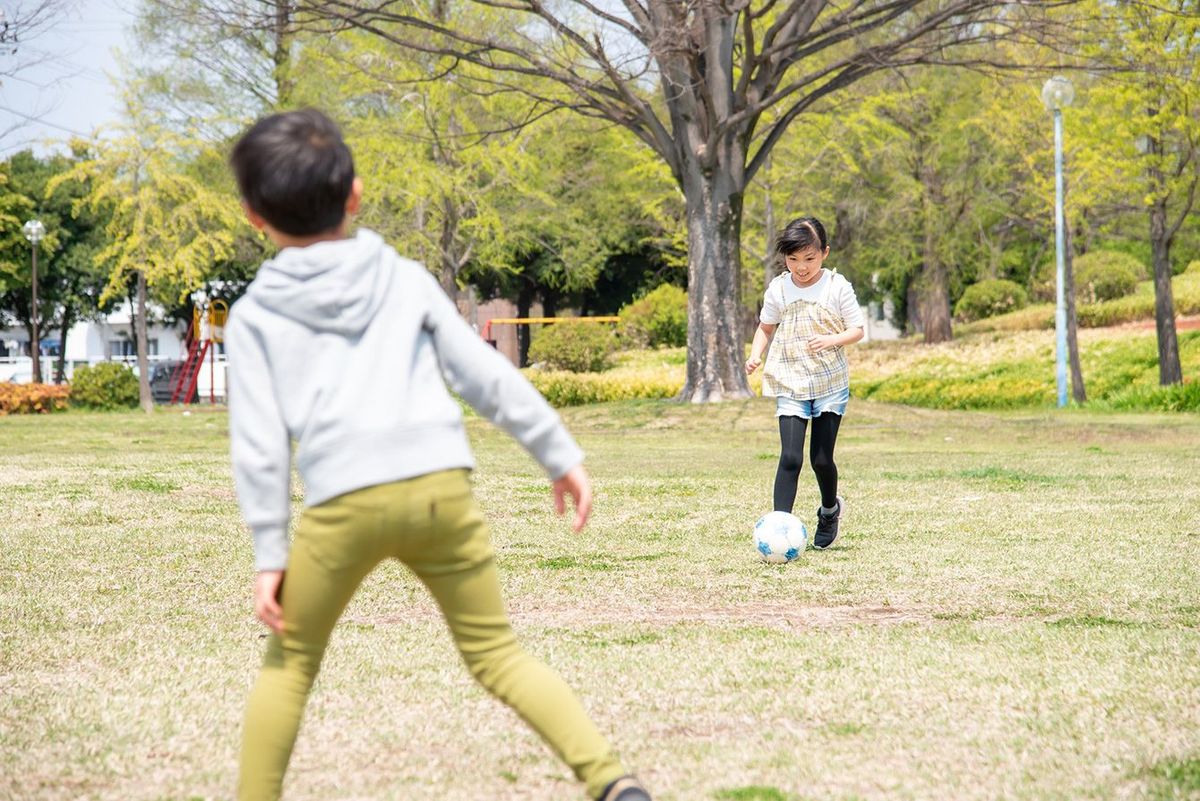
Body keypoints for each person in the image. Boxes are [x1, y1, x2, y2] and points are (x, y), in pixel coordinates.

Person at [224, 108, 651, 801]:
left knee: (290, 665)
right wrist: (558, 452)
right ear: (355, 194)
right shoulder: (405, 278)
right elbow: (484, 377)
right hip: (440, 490)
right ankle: (611, 780)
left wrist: (270, 552)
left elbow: (260, 448)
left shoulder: (256, 317)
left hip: (343, 506)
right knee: (498, 653)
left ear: (252, 216)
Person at [744, 216, 865, 549]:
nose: (801, 267)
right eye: (793, 259)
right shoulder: (779, 288)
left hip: (829, 381)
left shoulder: (836, 286)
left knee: (821, 459)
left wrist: (833, 340)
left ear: (824, 253)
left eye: (809, 258)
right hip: (791, 381)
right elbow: (765, 327)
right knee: (791, 457)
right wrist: (756, 355)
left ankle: (829, 511)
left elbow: (857, 330)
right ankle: (777, 529)